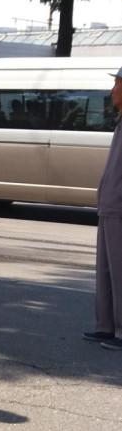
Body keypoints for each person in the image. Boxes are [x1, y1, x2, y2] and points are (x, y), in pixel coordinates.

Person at [84, 67, 122, 350]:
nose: (112, 91)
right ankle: (106, 326)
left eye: (117, 84)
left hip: (119, 206)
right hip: (110, 206)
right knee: (107, 271)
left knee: (119, 270)